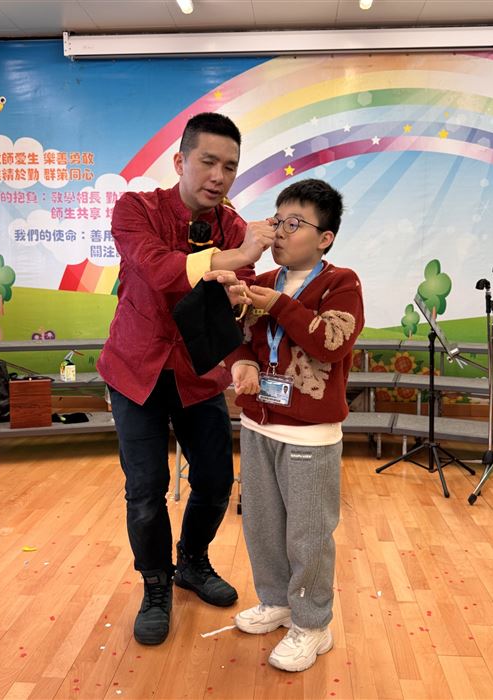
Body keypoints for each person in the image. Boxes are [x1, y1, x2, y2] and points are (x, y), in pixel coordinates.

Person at [97, 112, 276, 646]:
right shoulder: (136, 209)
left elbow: (241, 298)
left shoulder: (234, 225)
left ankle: (192, 562)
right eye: (208, 161)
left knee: (217, 481)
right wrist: (236, 258)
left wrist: (241, 296)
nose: (218, 176)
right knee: (145, 490)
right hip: (136, 370)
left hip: (199, 373)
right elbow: (157, 269)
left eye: (230, 167)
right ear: (180, 161)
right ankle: (156, 584)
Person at [223, 178, 364, 672]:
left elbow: (330, 342)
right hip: (258, 423)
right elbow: (241, 337)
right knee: (262, 526)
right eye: (277, 220)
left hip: (310, 435)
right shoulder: (264, 278)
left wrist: (276, 304)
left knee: (308, 535)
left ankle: (312, 624)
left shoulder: (342, 283)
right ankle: (278, 602)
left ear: (325, 238)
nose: (280, 232)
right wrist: (242, 362)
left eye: (294, 223)